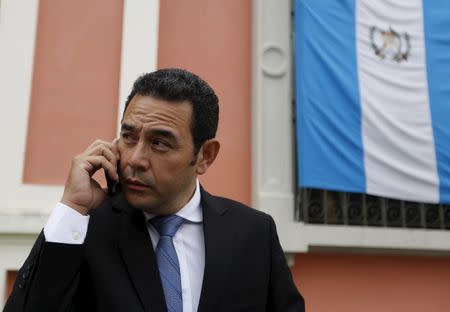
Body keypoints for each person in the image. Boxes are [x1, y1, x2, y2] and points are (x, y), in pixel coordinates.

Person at [4, 68, 305, 312]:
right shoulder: (85, 228)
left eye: (160, 142)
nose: (135, 159)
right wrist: (71, 207)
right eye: (129, 136)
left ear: (205, 156)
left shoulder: (253, 232)